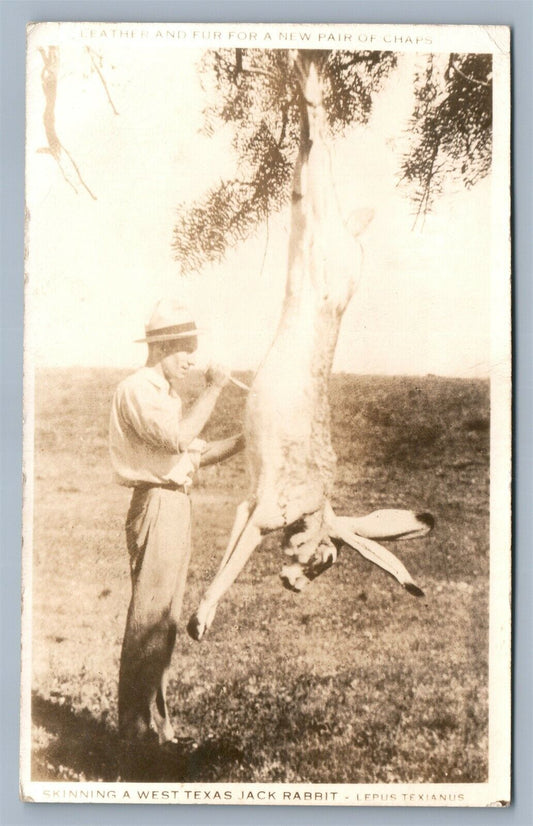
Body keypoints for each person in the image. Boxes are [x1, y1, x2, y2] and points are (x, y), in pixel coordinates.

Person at [109, 299, 244, 778]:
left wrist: (253, 436)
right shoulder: (138, 390)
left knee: (163, 622)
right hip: (158, 504)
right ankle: (136, 738)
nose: (193, 357)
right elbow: (179, 438)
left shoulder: (164, 392)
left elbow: (193, 454)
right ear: (162, 346)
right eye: (185, 348)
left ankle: (157, 731)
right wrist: (215, 389)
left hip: (174, 502)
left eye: (195, 348)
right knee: (150, 619)